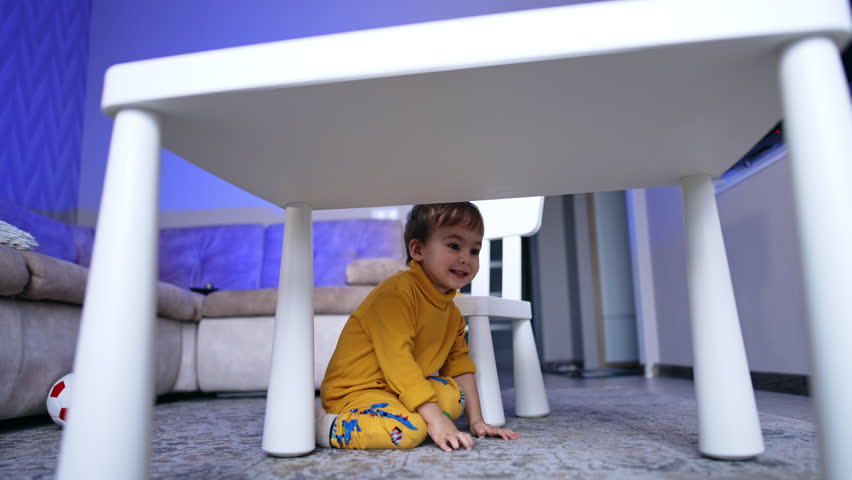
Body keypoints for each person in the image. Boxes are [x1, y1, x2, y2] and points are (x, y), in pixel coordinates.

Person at [317, 202, 520, 451]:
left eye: (474, 250)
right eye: (454, 246)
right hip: (357, 391)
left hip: (396, 389)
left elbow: (458, 365)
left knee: (454, 396)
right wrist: (436, 420)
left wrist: (477, 421)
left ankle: (415, 413)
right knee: (409, 430)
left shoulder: (451, 312)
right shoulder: (397, 294)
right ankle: (325, 426)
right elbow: (398, 362)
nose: (465, 259)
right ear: (418, 250)